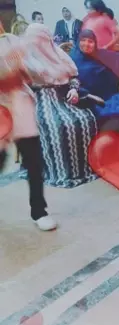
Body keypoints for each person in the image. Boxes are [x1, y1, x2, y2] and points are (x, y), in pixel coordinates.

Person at [22, 23, 97, 188]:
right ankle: (62, 171)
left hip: (64, 96)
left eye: (43, 39)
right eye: (36, 39)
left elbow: (73, 77)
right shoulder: (23, 59)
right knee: (59, 125)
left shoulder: (58, 55)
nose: (39, 43)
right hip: (39, 100)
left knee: (85, 119)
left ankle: (85, 168)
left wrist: (74, 90)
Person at [0, 33, 56, 230]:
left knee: (34, 163)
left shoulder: (12, 41)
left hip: (21, 108)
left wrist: (24, 68)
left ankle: (39, 211)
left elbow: (39, 72)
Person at [71, 30, 119, 141]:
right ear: (78, 41)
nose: (86, 44)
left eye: (90, 41)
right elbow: (71, 83)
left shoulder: (100, 55)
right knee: (113, 117)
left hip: (109, 95)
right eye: (83, 40)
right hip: (88, 99)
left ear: (95, 44)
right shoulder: (72, 60)